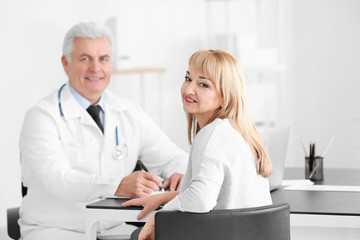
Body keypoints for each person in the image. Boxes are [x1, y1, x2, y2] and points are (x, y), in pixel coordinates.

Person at [18, 22, 188, 240]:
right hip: (55, 230)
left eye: (103, 59)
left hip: (112, 228)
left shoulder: (129, 111)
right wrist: (117, 185)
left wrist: (181, 173)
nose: (96, 68)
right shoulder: (42, 116)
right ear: (65, 63)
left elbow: (171, 157)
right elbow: (57, 179)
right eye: (85, 58)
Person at [123, 49, 273, 240]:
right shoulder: (241, 130)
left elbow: (201, 200)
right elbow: (221, 194)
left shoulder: (213, 134)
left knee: (139, 235)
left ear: (225, 95)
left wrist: (158, 217)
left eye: (203, 84)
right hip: (247, 234)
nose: (189, 89)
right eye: (188, 78)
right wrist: (167, 197)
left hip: (220, 234)